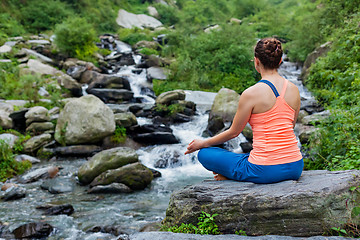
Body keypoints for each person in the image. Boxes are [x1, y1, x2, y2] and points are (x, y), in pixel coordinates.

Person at [184, 37, 303, 184]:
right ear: (279, 61)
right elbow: (290, 126)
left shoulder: (251, 93)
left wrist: (202, 143)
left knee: (205, 154)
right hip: (295, 165)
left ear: (256, 61)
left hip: (265, 170)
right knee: (246, 157)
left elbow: (234, 132)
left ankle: (230, 176)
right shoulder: (294, 89)